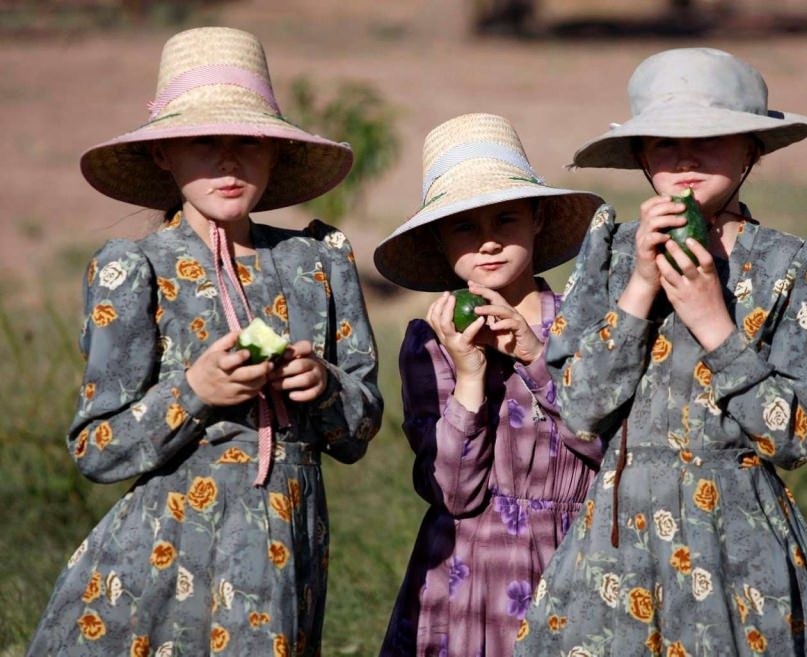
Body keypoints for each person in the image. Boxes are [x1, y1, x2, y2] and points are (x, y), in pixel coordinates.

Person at [26, 26, 382, 655]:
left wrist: (323, 386)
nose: (228, 161)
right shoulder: (134, 269)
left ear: (275, 152)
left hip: (292, 544)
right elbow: (96, 448)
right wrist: (195, 390)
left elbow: (358, 431)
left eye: (247, 141)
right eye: (202, 143)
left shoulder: (319, 263)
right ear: (164, 154)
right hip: (167, 556)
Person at [514, 48, 807, 656]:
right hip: (614, 548)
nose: (686, 157)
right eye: (663, 143)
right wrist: (640, 287)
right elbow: (580, 410)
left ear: (752, 148)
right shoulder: (610, 252)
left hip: (736, 549)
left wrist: (714, 324)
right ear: (641, 157)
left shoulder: (794, 262)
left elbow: (797, 436)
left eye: (712, 138)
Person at [373, 113, 605, 657]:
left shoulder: (586, 325)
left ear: (539, 219)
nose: (489, 243)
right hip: (464, 575)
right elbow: (453, 491)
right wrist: (471, 377)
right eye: (464, 227)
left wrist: (534, 354)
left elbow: (603, 443)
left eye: (506, 220)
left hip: (574, 559)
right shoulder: (430, 345)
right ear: (438, 240)